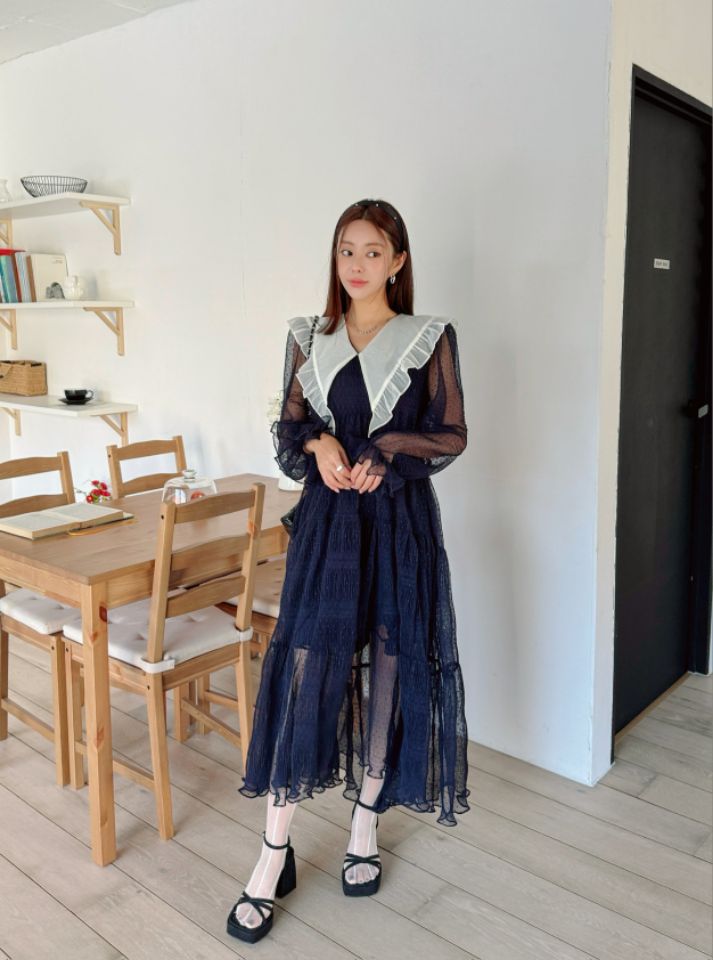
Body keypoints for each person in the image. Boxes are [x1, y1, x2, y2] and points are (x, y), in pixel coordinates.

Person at [227, 198, 471, 944]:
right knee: (307, 668)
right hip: (328, 528)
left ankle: (364, 823)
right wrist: (321, 446)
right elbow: (289, 428)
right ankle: (274, 851)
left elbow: (450, 434)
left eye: (372, 251)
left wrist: (384, 450)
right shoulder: (309, 336)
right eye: (346, 250)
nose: (357, 264)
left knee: (390, 668)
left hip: (398, 526)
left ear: (398, 261)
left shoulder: (429, 337)